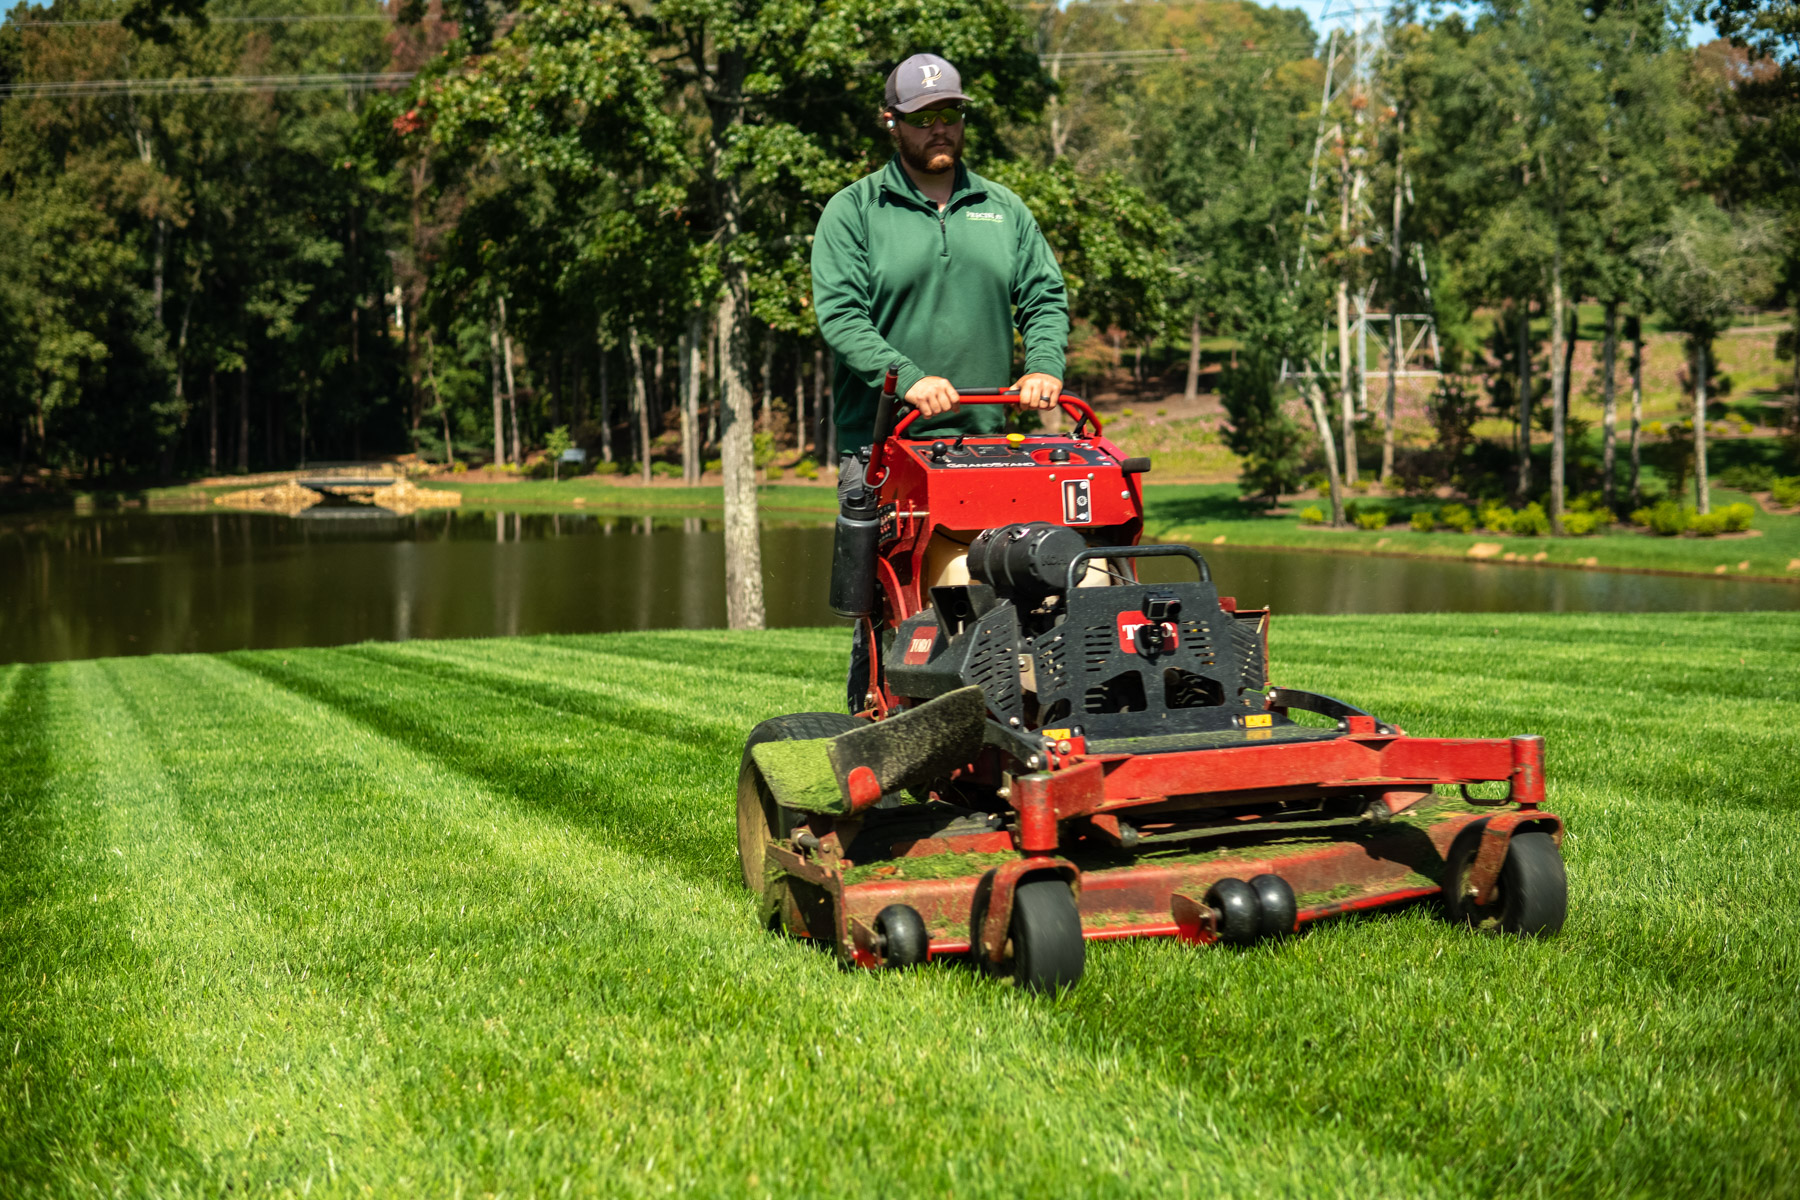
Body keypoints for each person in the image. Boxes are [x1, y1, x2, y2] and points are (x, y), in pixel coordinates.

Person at [811, 52, 1072, 712]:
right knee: (893, 619)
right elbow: (841, 316)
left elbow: (1044, 296)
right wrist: (908, 378)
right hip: (885, 449)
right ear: (891, 122)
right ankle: (874, 747)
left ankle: (1030, 734)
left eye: (950, 115)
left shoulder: (1002, 209)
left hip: (992, 446)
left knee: (1027, 590)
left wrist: (1043, 365)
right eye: (924, 118)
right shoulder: (856, 211)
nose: (940, 130)